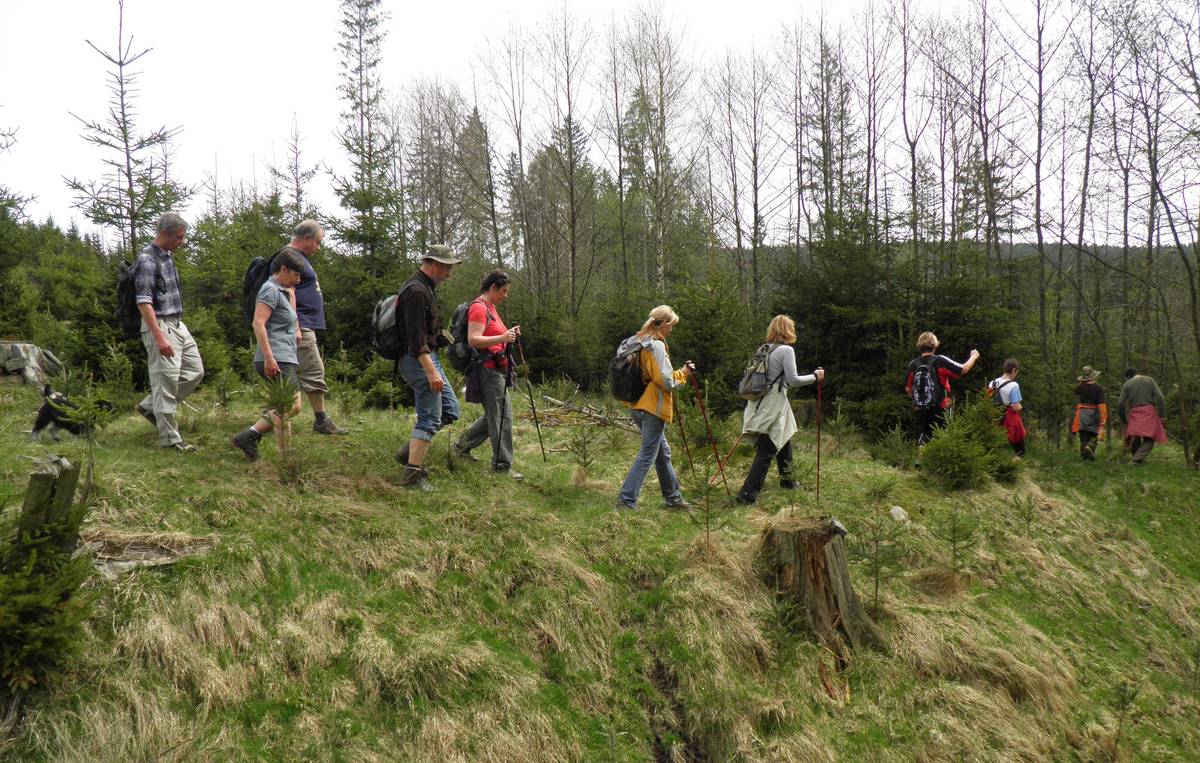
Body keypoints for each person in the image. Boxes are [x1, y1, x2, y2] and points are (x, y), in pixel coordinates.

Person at [392, 244, 463, 490]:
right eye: (447, 267)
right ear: (434, 264)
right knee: (430, 416)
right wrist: (430, 371)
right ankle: (413, 474)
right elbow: (415, 340)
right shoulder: (417, 291)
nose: (449, 273)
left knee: (450, 409)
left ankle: (408, 453)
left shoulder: (425, 288)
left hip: (428, 357)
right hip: (419, 361)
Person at [133, 212, 205, 452]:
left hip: (177, 323)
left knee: (195, 372)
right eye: (179, 237)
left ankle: (149, 406)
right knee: (165, 382)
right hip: (160, 325)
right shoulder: (147, 260)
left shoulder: (168, 256)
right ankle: (171, 440)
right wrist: (159, 336)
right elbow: (144, 301)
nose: (182, 242)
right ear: (165, 234)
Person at [735, 315, 824, 505]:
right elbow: (793, 380)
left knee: (783, 437)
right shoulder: (786, 350)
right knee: (767, 448)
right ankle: (746, 495)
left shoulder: (764, 348)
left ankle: (788, 480)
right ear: (787, 330)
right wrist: (815, 377)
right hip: (773, 404)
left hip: (759, 403)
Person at [614, 305, 693, 511]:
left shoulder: (635, 341)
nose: (672, 330)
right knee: (648, 453)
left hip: (636, 405)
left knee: (662, 452)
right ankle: (626, 500)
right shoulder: (655, 346)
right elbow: (666, 381)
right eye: (671, 325)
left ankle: (673, 499)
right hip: (652, 407)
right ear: (664, 323)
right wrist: (683, 373)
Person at [231, 250, 306, 461]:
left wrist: (296, 331)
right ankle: (254, 438)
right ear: (284, 269)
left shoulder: (283, 290)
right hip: (276, 358)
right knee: (290, 406)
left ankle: (280, 453)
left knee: (284, 406)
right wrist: (269, 357)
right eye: (296, 275)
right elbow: (258, 323)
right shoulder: (269, 290)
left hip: (284, 356)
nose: (298, 280)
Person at [452, 270, 522, 480]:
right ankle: (502, 466)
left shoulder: (490, 308)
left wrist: (508, 335)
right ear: (493, 288)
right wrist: (503, 336)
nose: (506, 295)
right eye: (504, 291)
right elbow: (474, 339)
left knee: (495, 415)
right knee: (501, 417)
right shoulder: (479, 308)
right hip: (487, 370)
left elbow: (492, 336)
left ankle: (460, 447)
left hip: (496, 369)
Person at [283, 220, 350, 436]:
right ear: (306, 239)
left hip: (303, 323)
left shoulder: (298, 257)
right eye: (318, 242)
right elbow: (286, 291)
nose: (319, 248)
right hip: (299, 324)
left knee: (311, 371)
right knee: (313, 370)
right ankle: (320, 421)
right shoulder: (290, 257)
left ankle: (319, 419)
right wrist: (295, 325)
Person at [904, 331, 980, 447]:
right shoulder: (940, 360)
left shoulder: (913, 364)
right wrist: (973, 357)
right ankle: (940, 463)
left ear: (919, 345)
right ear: (935, 345)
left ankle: (921, 460)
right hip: (942, 405)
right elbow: (963, 369)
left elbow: (908, 389)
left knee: (924, 434)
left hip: (921, 407)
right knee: (942, 435)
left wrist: (920, 400)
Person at [1117, 367, 1167, 465]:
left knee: (1135, 435)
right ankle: (1136, 459)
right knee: (1151, 438)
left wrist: (1123, 420)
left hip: (1134, 412)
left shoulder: (1127, 384)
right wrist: (1162, 415)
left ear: (1128, 377)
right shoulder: (1149, 380)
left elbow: (1120, 403)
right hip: (1149, 411)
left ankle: (1136, 459)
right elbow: (1160, 397)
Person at [987, 358, 1027, 457]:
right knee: (1020, 452)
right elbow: (1016, 407)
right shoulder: (1013, 385)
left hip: (996, 419)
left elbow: (988, 401)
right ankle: (1009, 469)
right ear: (1014, 370)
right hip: (1010, 421)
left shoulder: (992, 383)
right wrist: (1020, 406)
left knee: (995, 450)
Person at [1071, 366, 1107, 461]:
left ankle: (1085, 458)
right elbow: (1101, 405)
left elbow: (1076, 390)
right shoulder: (1098, 388)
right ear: (1094, 377)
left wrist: (1082, 382)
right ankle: (1090, 447)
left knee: (1083, 435)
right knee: (1094, 434)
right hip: (1094, 413)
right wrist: (1103, 419)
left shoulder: (1081, 387)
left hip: (1082, 414)